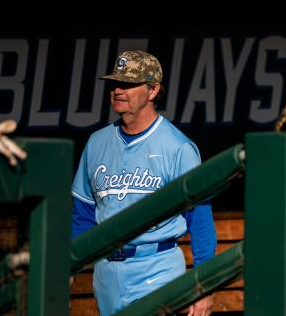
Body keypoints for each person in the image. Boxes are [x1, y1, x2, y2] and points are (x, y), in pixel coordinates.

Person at [71, 50, 217, 316]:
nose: (118, 90)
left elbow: (200, 220)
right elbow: (83, 215)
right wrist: (67, 268)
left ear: (153, 90)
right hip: (106, 273)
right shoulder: (96, 143)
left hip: (157, 266)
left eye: (128, 84)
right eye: (115, 83)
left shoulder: (178, 147)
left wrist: (203, 284)